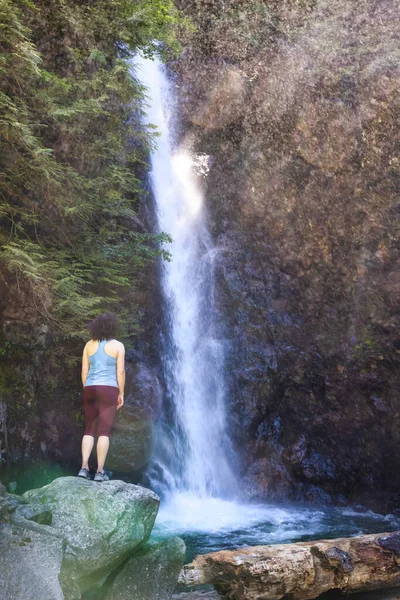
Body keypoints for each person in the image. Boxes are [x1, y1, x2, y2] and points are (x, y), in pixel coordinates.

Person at [77, 312, 125, 482]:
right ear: (113, 327)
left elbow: (84, 370)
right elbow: (120, 371)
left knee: (89, 428)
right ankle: (99, 471)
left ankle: (83, 468)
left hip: (90, 387)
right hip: (109, 389)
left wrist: (87, 388)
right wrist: (121, 393)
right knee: (104, 431)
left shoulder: (88, 345)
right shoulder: (118, 346)